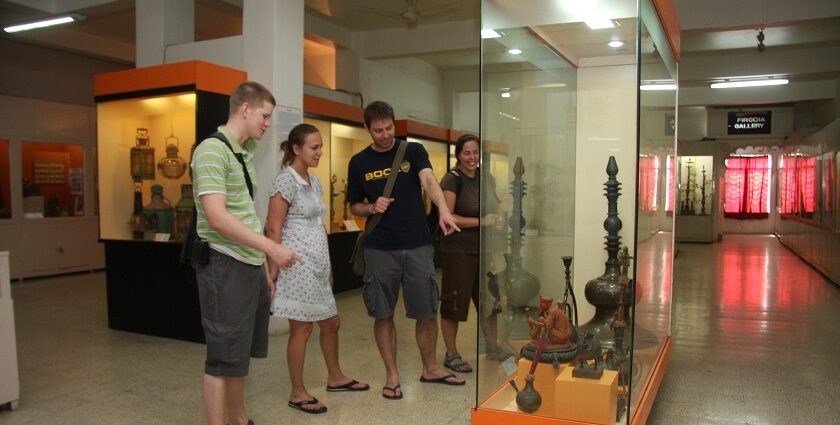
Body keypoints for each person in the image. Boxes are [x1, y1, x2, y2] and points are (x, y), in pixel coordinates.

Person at [192, 81, 301, 425]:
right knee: (222, 357)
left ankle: (239, 419)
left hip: (248, 264)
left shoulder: (243, 151)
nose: (267, 124)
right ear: (245, 109)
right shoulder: (211, 150)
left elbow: (245, 215)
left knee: (239, 355)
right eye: (265, 116)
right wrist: (271, 247)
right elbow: (217, 217)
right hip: (224, 265)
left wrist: (264, 267)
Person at [346, 100, 464, 400]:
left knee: (426, 311)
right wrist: (372, 206)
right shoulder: (359, 162)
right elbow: (354, 205)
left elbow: (428, 180)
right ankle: (392, 375)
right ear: (367, 129)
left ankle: (430, 368)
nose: (384, 135)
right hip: (379, 248)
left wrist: (443, 210)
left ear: (394, 125)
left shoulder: (413, 151)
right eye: (377, 131)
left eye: (388, 128)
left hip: (417, 245)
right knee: (383, 314)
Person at [266, 124, 369, 414]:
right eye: (314, 147)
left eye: (321, 146)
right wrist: (272, 269)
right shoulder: (285, 181)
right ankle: (297, 392)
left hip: (317, 264)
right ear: (296, 149)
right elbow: (273, 227)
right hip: (296, 265)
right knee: (302, 330)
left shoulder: (314, 182)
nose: (320, 152)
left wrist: (329, 265)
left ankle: (335, 377)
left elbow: (318, 226)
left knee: (331, 323)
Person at [438, 134, 510, 374]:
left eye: (476, 152)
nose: (472, 157)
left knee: (490, 301)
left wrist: (499, 219)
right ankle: (451, 354)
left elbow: (495, 207)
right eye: (467, 153)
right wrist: (482, 221)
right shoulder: (451, 179)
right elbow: (448, 217)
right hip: (458, 250)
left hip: (485, 249)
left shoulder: (485, 177)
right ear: (458, 155)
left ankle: (492, 347)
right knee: (454, 303)